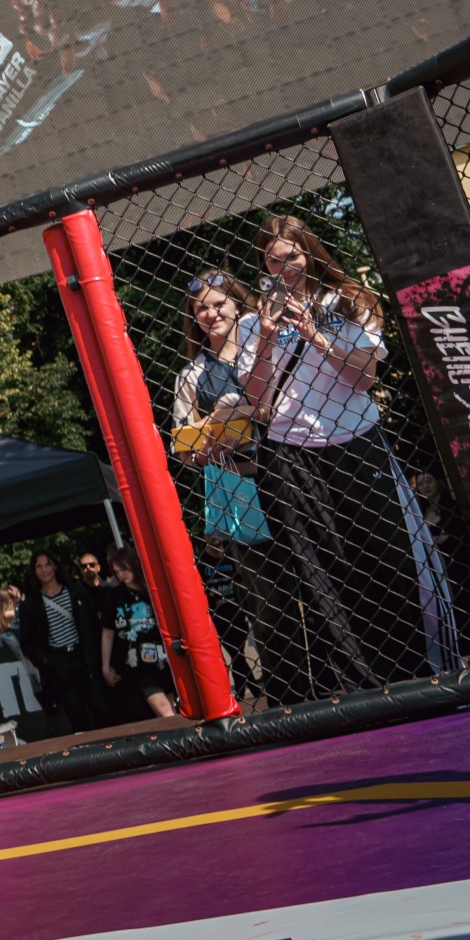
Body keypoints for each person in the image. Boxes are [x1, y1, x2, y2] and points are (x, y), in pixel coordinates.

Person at [241, 214, 433, 691]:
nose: (285, 267)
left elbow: (364, 378)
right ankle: (358, 687)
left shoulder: (347, 301)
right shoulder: (252, 323)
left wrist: (314, 335)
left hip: (356, 440)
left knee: (388, 558)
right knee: (323, 571)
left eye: (292, 256)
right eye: (273, 260)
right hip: (292, 452)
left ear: (310, 252)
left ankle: (416, 671)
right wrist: (266, 335)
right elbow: (257, 400)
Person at [174, 269, 310, 704]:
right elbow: (183, 448)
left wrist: (249, 412)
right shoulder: (191, 375)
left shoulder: (271, 348)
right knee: (269, 605)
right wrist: (210, 441)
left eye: (219, 304)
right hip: (239, 491)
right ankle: (292, 702)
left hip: (294, 478)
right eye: (201, 308)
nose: (210, 314)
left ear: (238, 305)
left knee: (318, 584)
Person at [14, 552, 106, 732]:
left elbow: (95, 626)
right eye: (39, 566)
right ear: (34, 571)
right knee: (77, 716)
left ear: (55, 566)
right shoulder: (30, 605)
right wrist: (47, 661)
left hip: (85, 658)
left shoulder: (77, 591)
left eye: (48, 564)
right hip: (59, 661)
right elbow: (27, 643)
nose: (44, 570)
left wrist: (98, 656)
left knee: (102, 709)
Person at [95, 549, 177, 721]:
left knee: (169, 711)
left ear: (134, 564)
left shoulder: (153, 589)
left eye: (124, 569)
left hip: (164, 657)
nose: (121, 575)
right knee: (165, 711)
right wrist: (105, 666)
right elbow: (107, 633)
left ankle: (181, 736)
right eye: (117, 572)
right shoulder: (114, 596)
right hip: (138, 663)